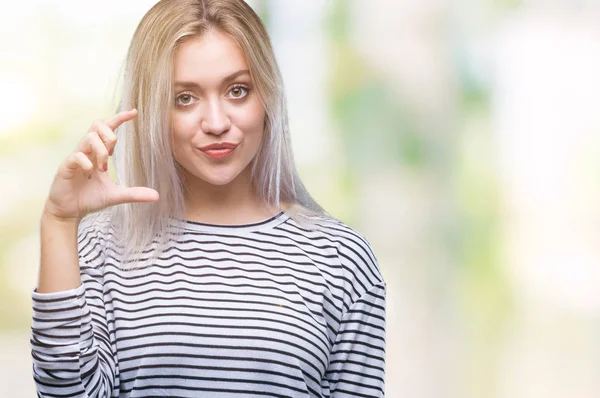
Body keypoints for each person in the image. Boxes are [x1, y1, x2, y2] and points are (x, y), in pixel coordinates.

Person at [30, 0, 387, 397]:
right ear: (152, 109)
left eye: (238, 90)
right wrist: (59, 221)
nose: (217, 123)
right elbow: (66, 393)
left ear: (266, 96)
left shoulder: (341, 257)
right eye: (185, 98)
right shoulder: (100, 247)